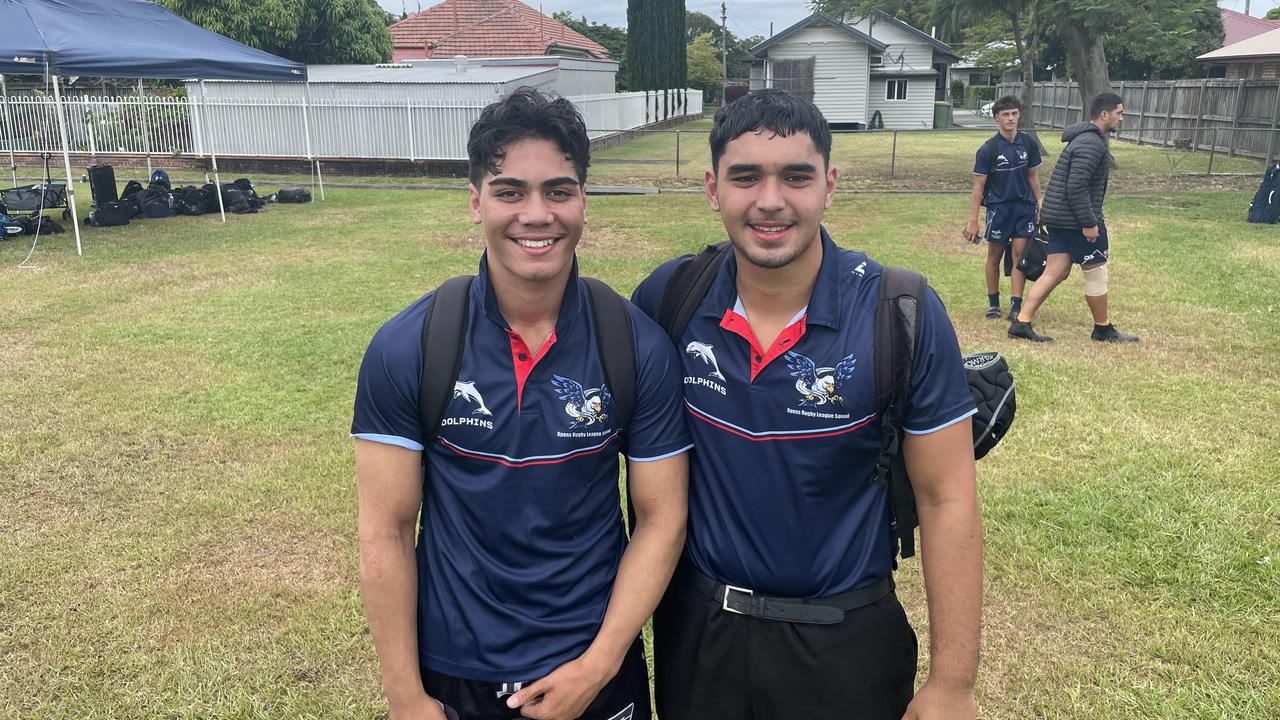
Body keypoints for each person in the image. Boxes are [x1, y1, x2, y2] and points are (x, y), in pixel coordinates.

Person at [631, 89, 983, 720]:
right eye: (746, 178)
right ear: (713, 189)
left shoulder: (898, 311)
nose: (771, 201)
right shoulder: (669, 299)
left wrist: (952, 682)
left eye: (796, 176)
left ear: (830, 185)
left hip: (847, 639)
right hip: (699, 635)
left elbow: (947, 498)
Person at [352, 88, 691, 720]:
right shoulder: (410, 346)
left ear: (583, 201)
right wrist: (404, 698)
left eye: (558, 191)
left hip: (592, 667)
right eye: (510, 191)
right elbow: (387, 531)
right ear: (476, 200)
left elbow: (662, 519)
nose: (536, 214)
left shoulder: (635, 344)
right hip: (454, 671)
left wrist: (598, 665)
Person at [1008, 92, 1139, 344]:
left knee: (1055, 271)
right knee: (1096, 271)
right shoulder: (1092, 144)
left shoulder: (1084, 139)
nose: (1121, 118)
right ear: (1104, 114)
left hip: (1059, 218)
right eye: (1119, 113)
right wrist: (1089, 223)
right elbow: (1076, 186)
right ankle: (1103, 329)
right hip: (1074, 221)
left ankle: (1021, 322)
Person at [962, 95, 1042, 321]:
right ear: (997, 117)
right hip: (999, 210)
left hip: (1023, 208)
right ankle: (994, 303)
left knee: (1019, 255)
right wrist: (973, 220)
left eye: (1015, 114)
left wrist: (1039, 203)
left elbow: (1033, 176)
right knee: (994, 256)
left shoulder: (1028, 144)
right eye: (1006, 114)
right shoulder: (988, 149)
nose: (1011, 118)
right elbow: (978, 187)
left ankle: (1016, 305)